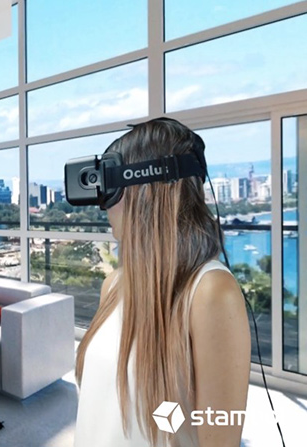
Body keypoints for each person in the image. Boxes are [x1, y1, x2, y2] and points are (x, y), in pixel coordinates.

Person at [73, 118, 251, 447]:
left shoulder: (210, 293)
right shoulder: (113, 285)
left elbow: (220, 437)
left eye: (109, 191)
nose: (103, 207)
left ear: (142, 189)